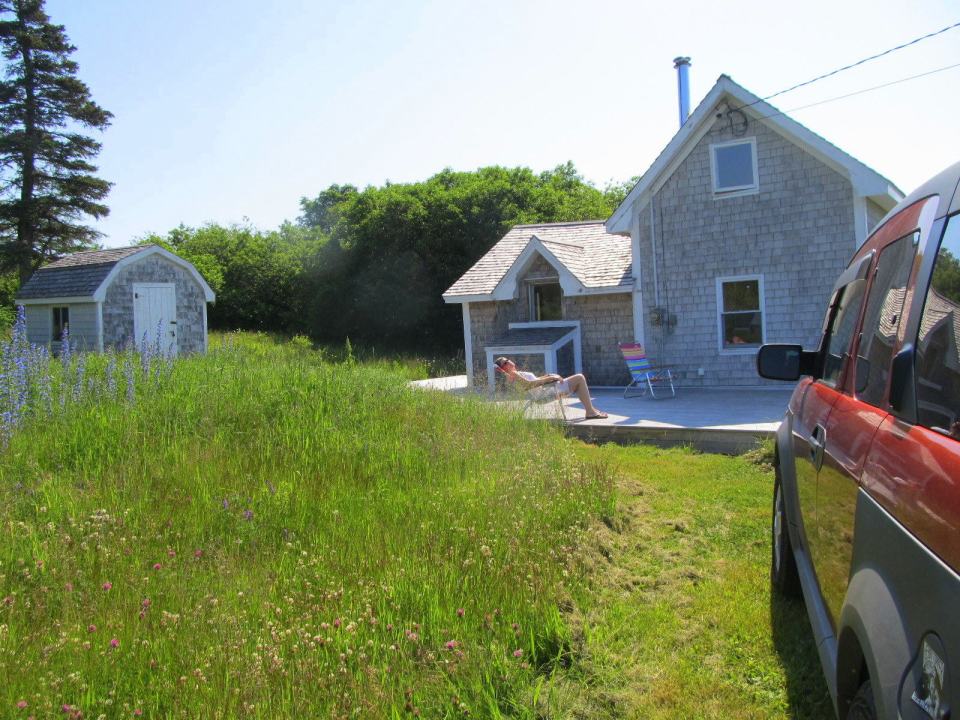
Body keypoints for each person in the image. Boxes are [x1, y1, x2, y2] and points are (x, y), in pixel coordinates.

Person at [494, 356, 608, 420]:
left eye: (507, 359)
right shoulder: (514, 374)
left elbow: (534, 381)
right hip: (546, 393)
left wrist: (548, 376)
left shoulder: (515, 374)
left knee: (578, 381)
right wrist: (549, 379)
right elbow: (529, 385)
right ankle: (590, 411)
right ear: (504, 367)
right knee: (580, 378)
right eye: (505, 362)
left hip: (547, 390)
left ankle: (590, 410)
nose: (509, 361)